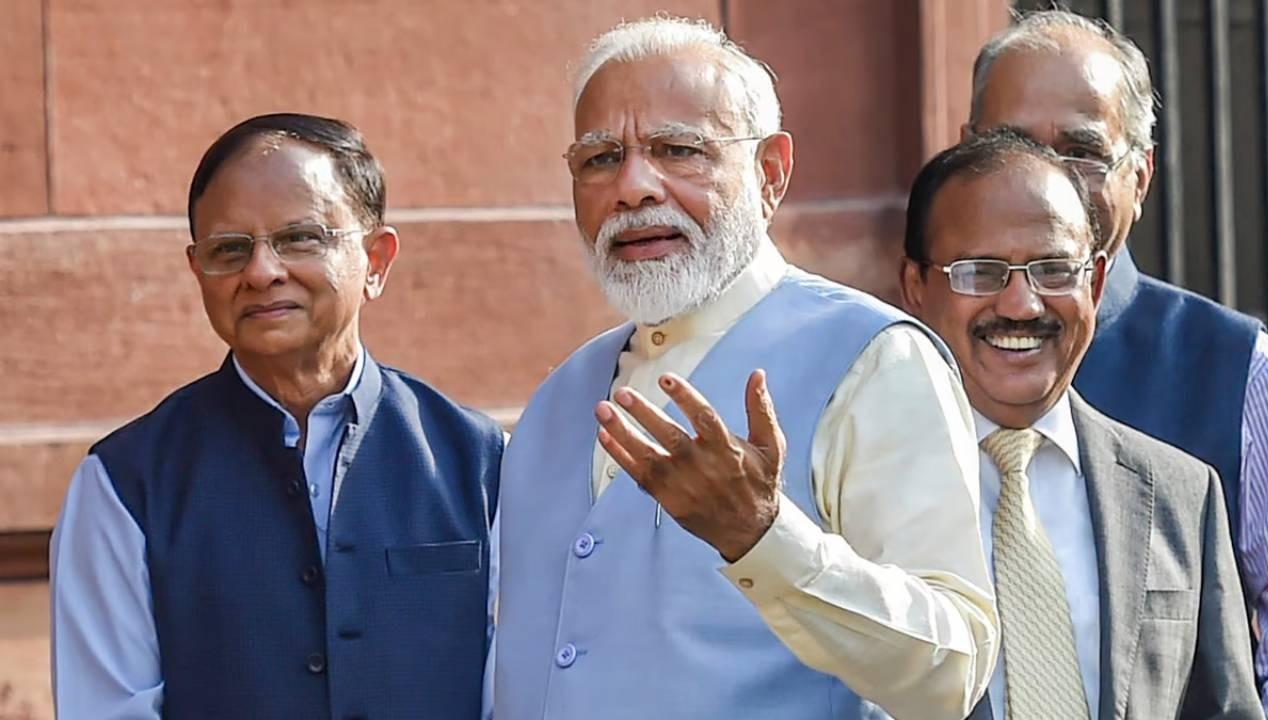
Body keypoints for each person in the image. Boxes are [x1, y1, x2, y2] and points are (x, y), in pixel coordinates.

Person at [493, 16, 998, 720]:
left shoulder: (873, 360)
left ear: (771, 172)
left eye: (679, 150)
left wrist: (765, 538)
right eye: (601, 159)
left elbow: (952, 675)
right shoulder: (558, 400)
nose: (634, 187)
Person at [49, 113, 503, 719]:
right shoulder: (126, 485)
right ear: (197, 271)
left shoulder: (480, 462)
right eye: (230, 249)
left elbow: (525, 690)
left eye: (300, 238)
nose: (261, 272)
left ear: (376, 261)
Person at [965, 10, 1268, 711]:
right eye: (1011, 143)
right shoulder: (895, 365)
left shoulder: (1236, 371)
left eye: (1081, 150)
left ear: (1140, 176)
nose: (1045, 176)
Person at [902, 128, 1262, 719]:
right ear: (915, 286)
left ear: (1094, 284)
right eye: (981, 272)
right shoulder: (856, 490)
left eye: (1052, 270)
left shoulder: (1180, 493)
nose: (1022, 305)